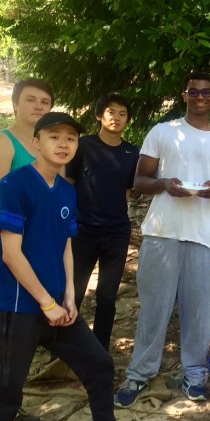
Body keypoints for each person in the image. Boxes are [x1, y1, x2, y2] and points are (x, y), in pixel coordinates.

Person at [0, 112, 154, 421]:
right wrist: (45, 302)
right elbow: (11, 254)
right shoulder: (14, 185)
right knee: (7, 392)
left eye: (71, 139)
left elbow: (65, 245)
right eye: (54, 137)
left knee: (100, 365)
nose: (63, 144)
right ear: (36, 143)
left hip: (56, 309)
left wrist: (68, 297)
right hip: (15, 307)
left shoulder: (65, 190)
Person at [114, 72, 210, 408]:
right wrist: (164, 184)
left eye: (206, 92)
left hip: (204, 236)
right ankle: (139, 374)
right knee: (153, 308)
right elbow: (140, 180)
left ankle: (195, 375)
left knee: (199, 311)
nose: (200, 97)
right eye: (193, 92)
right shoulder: (163, 132)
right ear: (184, 95)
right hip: (162, 232)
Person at [0, 79, 53, 388]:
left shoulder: (48, 145)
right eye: (31, 100)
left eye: (45, 102)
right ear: (15, 104)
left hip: (35, 251)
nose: (38, 106)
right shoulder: (1, 142)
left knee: (24, 327)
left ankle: (11, 401)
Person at [66, 93, 140, 351]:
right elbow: (69, 184)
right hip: (83, 231)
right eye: (111, 112)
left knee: (107, 296)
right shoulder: (83, 146)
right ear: (99, 115)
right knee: (74, 292)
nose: (116, 118)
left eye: (122, 114)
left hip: (117, 232)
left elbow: (127, 190)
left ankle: (99, 353)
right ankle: (68, 351)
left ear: (128, 120)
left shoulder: (132, 152)